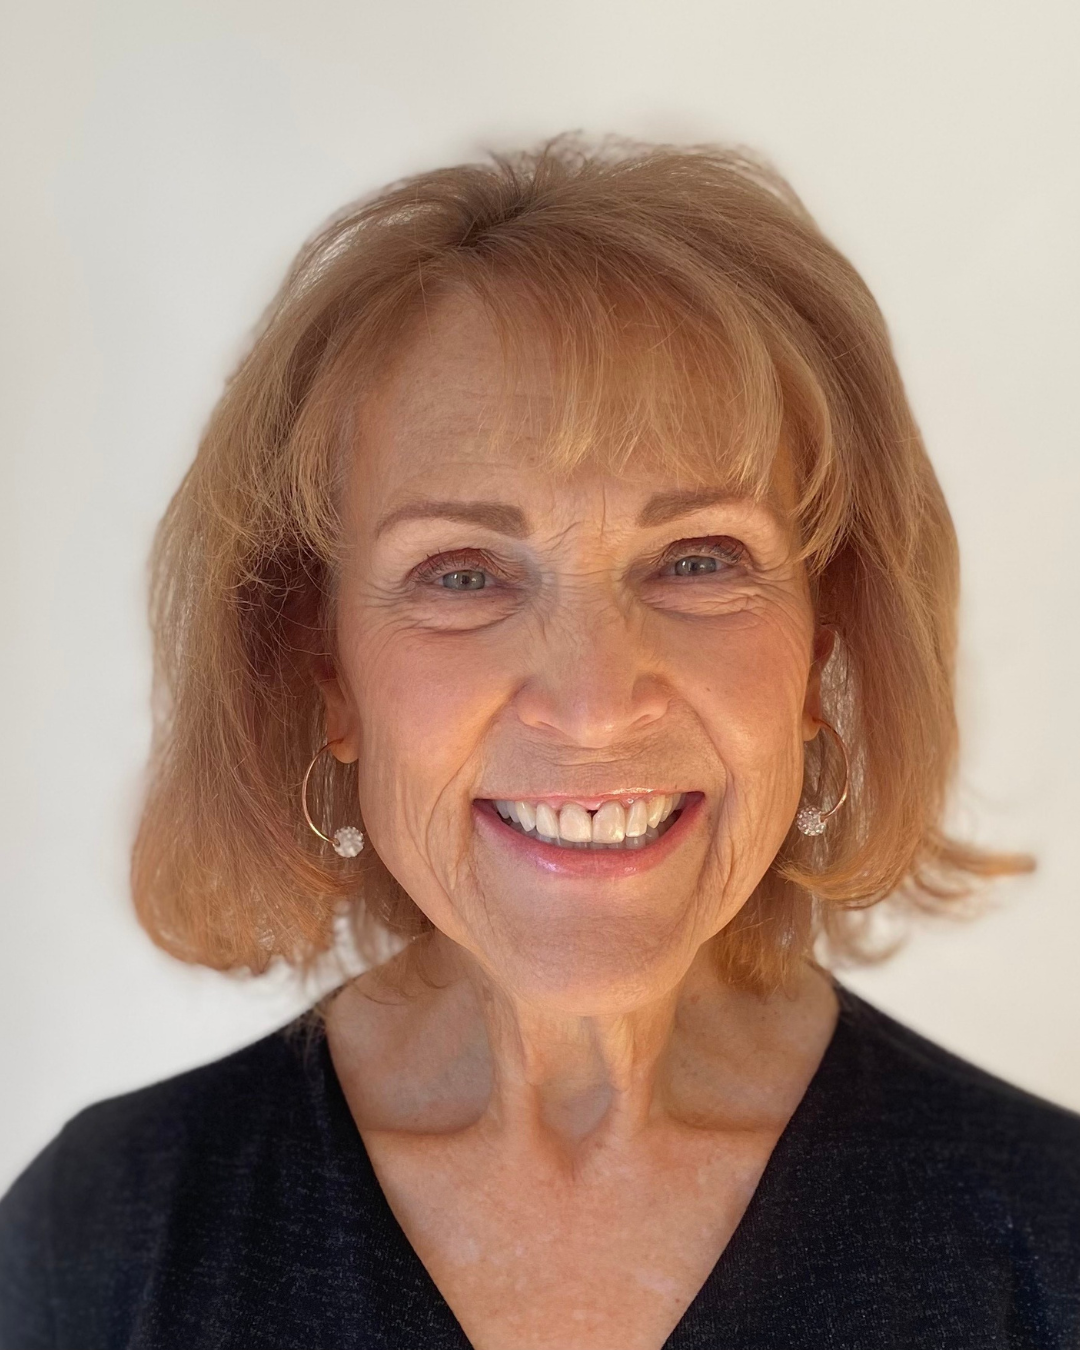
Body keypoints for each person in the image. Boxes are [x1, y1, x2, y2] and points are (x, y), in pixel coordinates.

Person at [1, 135, 1077, 1350]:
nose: (593, 703)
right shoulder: (103, 1244)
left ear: (825, 646)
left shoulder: (1051, 1239)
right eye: (463, 574)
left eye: (698, 560)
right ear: (324, 669)